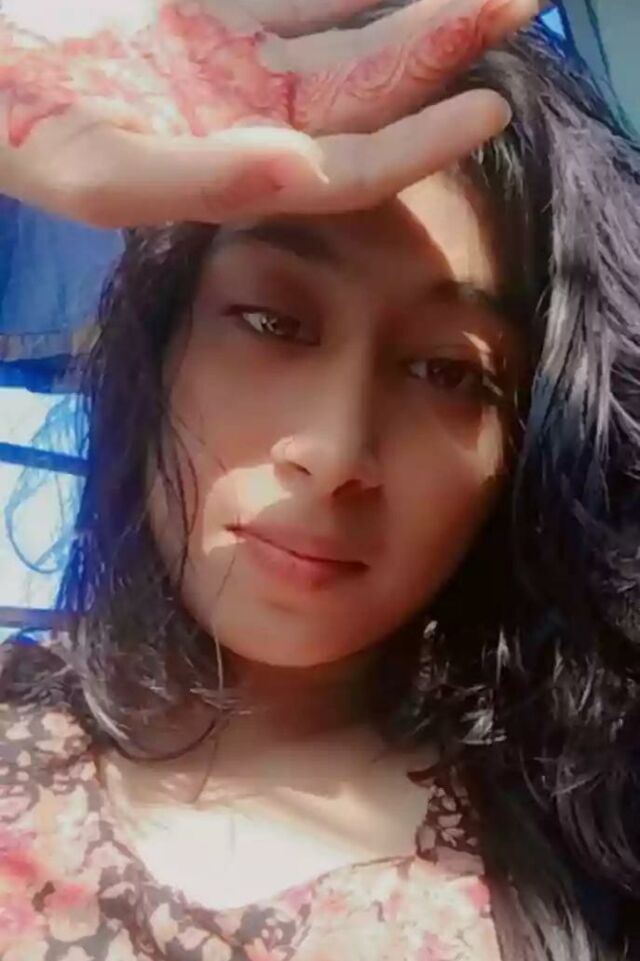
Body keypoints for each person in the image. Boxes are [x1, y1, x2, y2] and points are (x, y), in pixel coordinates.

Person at [2, 11, 640, 961]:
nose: (336, 452)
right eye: (272, 321)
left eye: (449, 372)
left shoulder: (600, 839)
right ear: (159, 340)